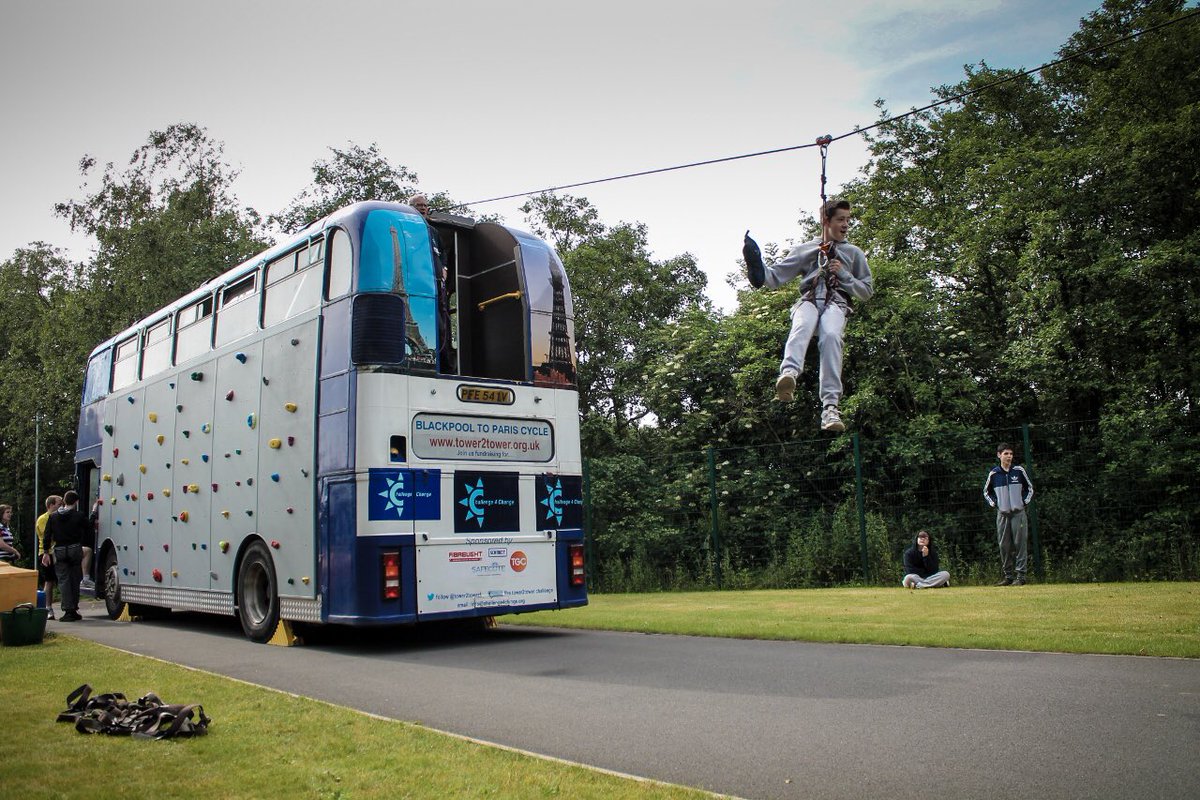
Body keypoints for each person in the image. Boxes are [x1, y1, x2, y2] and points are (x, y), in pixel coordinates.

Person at [748, 198, 874, 432]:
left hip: (836, 303)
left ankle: (830, 408)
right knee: (802, 326)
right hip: (809, 299)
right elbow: (776, 276)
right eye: (840, 219)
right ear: (825, 221)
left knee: (831, 337)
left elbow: (866, 291)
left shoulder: (853, 254)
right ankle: (788, 375)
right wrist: (758, 269)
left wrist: (845, 275)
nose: (846, 224)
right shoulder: (807, 249)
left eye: (848, 220)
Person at [409, 193, 454, 372]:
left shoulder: (433, 232)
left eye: (425, 205)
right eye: (418, 205)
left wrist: (444, 268)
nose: (423, 208)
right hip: (419, 288)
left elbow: (443, 253)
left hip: (437, 287)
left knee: (444, 327)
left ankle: (446, 368)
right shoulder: (409, 229)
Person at [982, 442, 1034, 586]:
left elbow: (1029, 488)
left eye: (1011, 454)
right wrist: (995, 504)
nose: (1009, 456)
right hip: (1002, 514)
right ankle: (1008, 577)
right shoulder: (994, 474)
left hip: (1019, 514)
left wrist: (1023, 503)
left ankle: (1021, 576)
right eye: (1006, 454)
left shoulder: (1019, 471)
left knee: (1020, 544)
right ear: (999, 455)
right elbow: (986, 492)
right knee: (1004, 546)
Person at [42, 490, 89, 621]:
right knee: (75, 578)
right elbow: (89, 526)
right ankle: (73, 608)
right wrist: (95, 512)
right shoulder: (78, 515)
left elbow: (47, 536)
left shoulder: (53, 517)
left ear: (64, 501)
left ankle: (67, 609)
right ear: (76, 502)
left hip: (60, 550)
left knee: (63, 580)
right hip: (74, 548)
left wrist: (46, 552)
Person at [36, 495, 63, 619]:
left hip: (57, 551)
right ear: (51, 505)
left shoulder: (58, 517)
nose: (61, 506)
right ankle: (47, 608)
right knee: (49, 581)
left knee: (60, 580)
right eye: (58, 504)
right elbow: (47, 535)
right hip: (46, 553)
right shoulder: (43, 519)